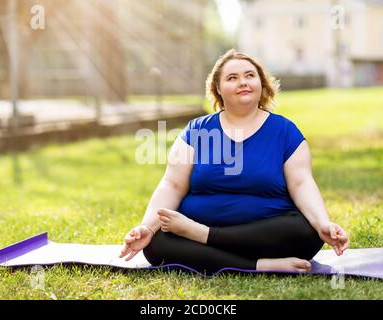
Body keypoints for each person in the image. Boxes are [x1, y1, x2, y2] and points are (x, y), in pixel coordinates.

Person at [119, 49, 349, 275]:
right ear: (218, 88)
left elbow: (301, 183)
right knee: (156, 242)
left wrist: (322, 224)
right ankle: (260, 265)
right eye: (232, 78)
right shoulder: (197, 131)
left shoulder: (286, 131)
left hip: (263, 231)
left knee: (306, 231)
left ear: (261, 84)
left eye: (250, 75)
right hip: (205, 222)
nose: (243, 82)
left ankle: (203, 236)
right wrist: (146, 227)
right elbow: (172, 184)